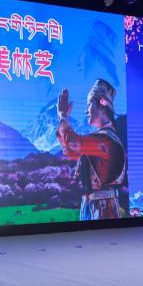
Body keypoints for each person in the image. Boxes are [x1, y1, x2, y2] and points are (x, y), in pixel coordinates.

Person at [56, 79, 126, 220]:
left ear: (102, 104)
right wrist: (62, 119)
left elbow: (73, 143)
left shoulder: (106, 140)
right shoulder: (101, 139)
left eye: (89, 104)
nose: (85, 110)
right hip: (92, 205)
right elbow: (70, 151)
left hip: (104, 208)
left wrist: (63, 117)